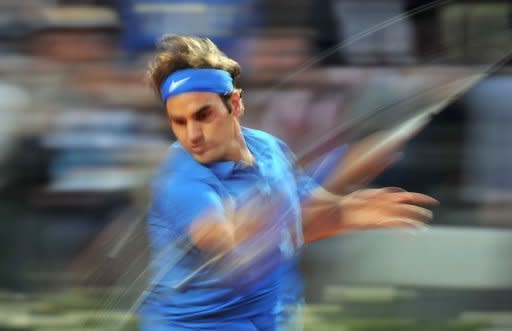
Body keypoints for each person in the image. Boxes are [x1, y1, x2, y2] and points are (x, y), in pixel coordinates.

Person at [138, 35, 438, 331]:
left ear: (235, 104)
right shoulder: (181, 176)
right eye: (179, 122)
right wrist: (341, 176)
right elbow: (229, 242)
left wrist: (343, 214)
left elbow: (303, 218)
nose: (192, 135)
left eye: (203, 115)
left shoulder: (269, 148)